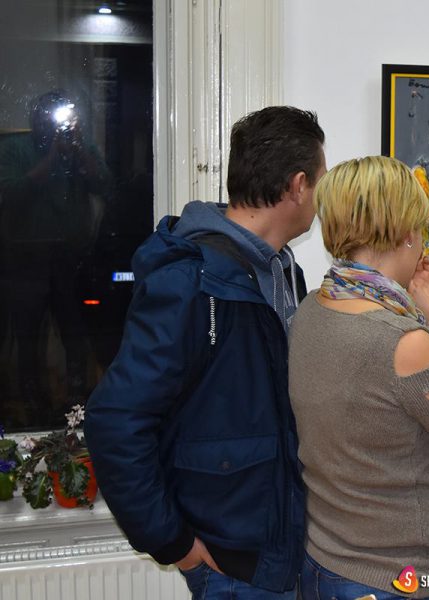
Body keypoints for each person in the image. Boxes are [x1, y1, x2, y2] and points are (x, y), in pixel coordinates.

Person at [84, 106, 326, 598]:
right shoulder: (191, 279)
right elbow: (115, 422)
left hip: (285, 548)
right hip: (231, 564)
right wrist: (173, 542)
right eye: (321, 180)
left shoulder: (284, 271)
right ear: (298, 185)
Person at [289, 155, 429, 600]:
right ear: (407, 232)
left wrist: (426, 323)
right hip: (407, 578)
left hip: (327, 565)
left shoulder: (311, 310)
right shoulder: (404, 342)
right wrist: (425, 333)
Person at [0, 90, 112, 425]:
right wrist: (51, 158)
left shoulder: (79, 146)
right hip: (25, 257)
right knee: (27, 337)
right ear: (35, 118)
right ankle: (31, 409)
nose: (52, 127)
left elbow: (106, 186)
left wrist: (79, 154)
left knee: (75, 333)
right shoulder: (15, 149)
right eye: (46, 118)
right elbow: (10, 196)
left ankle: (77, 405)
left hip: (71, 258)